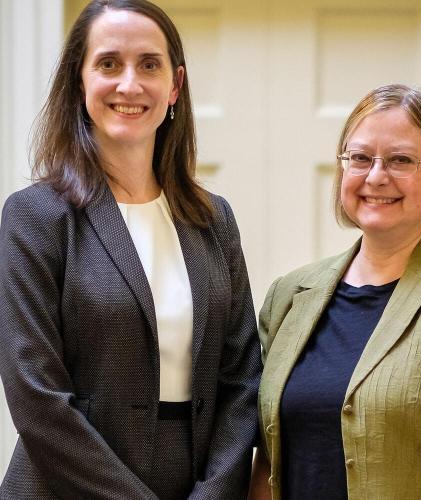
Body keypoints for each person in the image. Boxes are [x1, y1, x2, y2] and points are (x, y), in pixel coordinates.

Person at [0, 1, 261, 498]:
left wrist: (214, 493)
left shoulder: (214, 219)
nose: (129, 84)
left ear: (175, 87)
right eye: (108, 64)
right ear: (80, 82)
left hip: (192, 486)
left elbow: (243, 377)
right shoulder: (35, 217)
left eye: (149, 64)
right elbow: (36, 396)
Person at [248, 84, 421, 500]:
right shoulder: (290, 295)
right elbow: (269, 463)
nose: (376, 176)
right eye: (360, 158)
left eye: (401, 160)